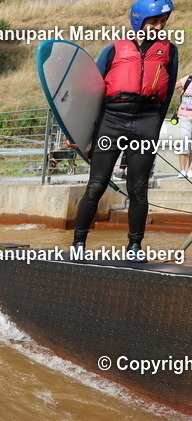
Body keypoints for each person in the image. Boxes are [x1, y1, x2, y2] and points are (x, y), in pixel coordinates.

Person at [71, 0, 178, 259]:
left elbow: (166, 96)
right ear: (139, 21)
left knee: (138, 188)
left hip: (146, 121)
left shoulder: (169, 51)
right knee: (96, 185)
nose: (160, 26)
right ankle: (78, 243)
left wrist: (154, 128)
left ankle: (134, 247)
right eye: (154, 21)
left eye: (163, 21)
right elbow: (89, 93)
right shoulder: (113, 50)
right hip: (112, 120)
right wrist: (76, 131)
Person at [173, 73, 192, 176]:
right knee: (184, 142)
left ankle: (190, 169)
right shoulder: (188, 79)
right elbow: (173, 87)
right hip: (184, 116)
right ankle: (182, 170)